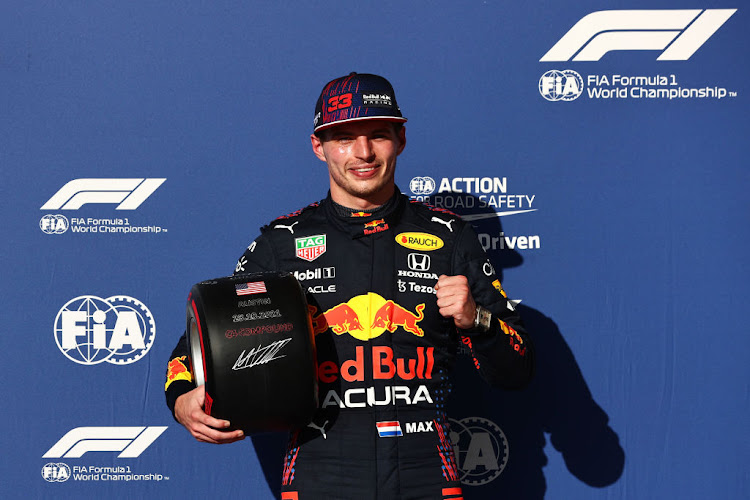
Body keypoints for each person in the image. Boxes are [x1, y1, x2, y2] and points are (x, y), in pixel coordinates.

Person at [165, 72, 534, 499]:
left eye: (377, 135)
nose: (362, 153)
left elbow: (518, 369)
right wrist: (181, 400)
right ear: (318, 147)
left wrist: (476, 320)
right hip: (321, 475)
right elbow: (195, 351)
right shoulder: (282, 243)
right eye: (343, 137)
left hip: (425, 477)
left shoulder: (451, 237)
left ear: (401, 139)